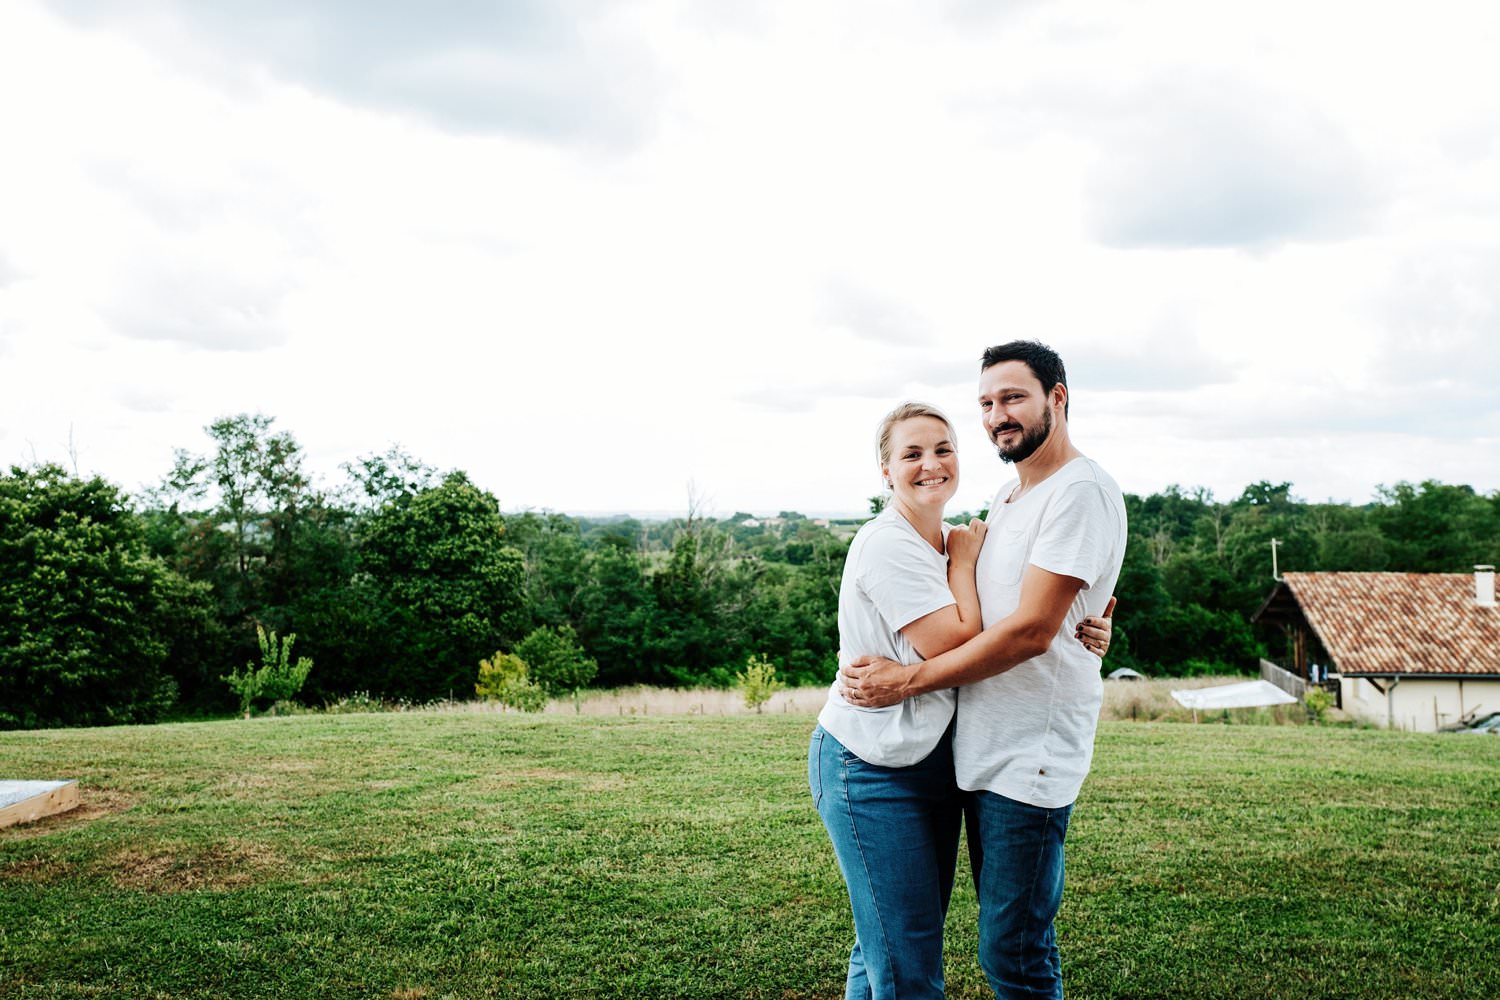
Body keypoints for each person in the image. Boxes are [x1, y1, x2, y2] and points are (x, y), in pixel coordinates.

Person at [842, 341, 1128, 1000]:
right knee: (892, 940)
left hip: (1027, 758)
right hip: (976, 753)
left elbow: (1030, 629)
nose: (999, 415)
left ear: (1058, 398)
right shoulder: (1009, 497)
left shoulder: (1080, 490)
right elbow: (1022, 601)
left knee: (1014, 954)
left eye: (1014, 398)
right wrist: (1091, 617)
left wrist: (905, 680)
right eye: (988, 403)